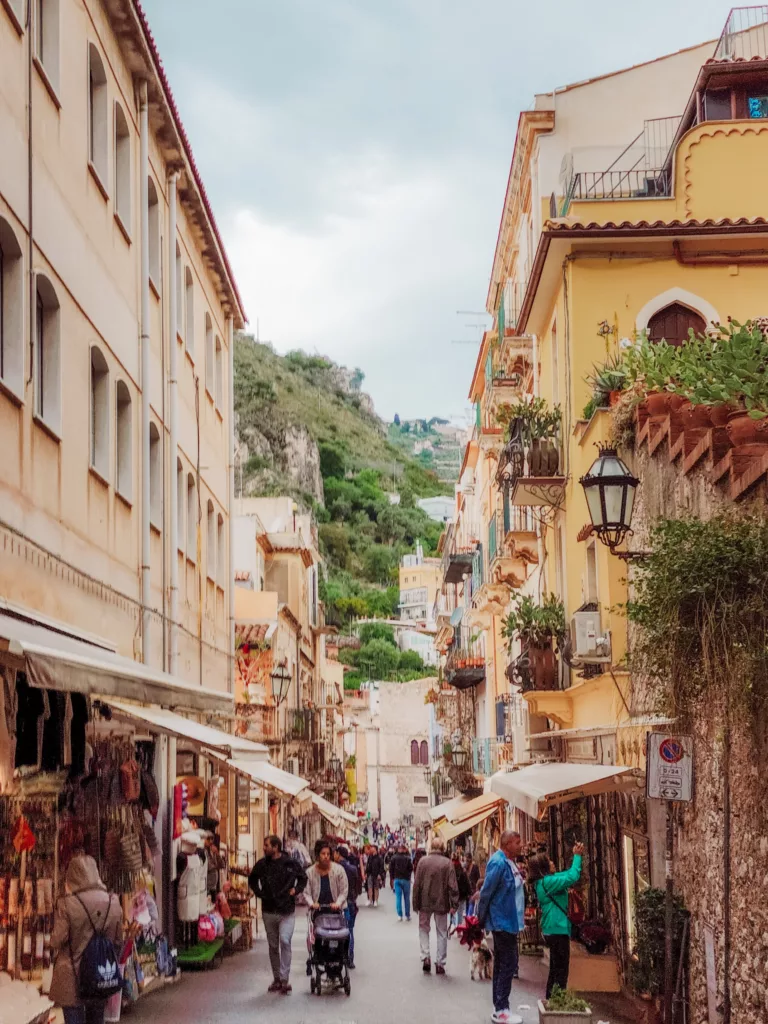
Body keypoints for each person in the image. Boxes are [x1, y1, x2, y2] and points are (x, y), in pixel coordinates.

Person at [49, 855, 123, 1024]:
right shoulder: (113, 901)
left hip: (72, 976)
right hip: (99, 973)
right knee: (97, 1016)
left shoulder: (67, 904)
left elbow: (57, 939)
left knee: (73, 1017)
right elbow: (118, 940)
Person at [477, 831, 526, 1024]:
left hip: (509, 921)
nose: (520, 845)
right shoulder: (498, 863)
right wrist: (481, 919)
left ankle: (501, 1007)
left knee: (503, 964)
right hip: (502, 921)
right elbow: (486, 892)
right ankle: (501, 1008)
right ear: (507, 845)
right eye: (517, 842)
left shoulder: (508, 862)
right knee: (508, 964)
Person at [249, 835, 308, 995]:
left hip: (286, 910)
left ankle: (284, 979)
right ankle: (277, 979)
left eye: (267, 845)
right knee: (273, 946)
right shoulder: (262, 864)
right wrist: (260, 893)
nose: (264, 848)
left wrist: (296, 890)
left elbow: (303, 877)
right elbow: (252, 879)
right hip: (268, 910)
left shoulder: (290, 863)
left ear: (275, 847)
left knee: (285, 940)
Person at [527, 842, 585, 999]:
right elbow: (572, 876)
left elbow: (565, 875)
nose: (552, 862)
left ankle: (551, 999)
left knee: (555, 968)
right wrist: (577, 856)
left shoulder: (544, 881)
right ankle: (558, 1001)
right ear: (543, 867)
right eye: (549, 861)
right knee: (561, 969)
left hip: (552, 928)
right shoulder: (548, 882)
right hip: (557, 928)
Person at [412, 836, 458, 975]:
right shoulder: (447, 863)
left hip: (424, 902)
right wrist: (454, 904)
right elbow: (453, 885)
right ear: (442, 848)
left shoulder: (422, 862)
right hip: (441, 902)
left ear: (431, 847)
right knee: (442, 932)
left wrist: (415, 903)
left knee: (423, 929)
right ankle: (440, 963)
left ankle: (425, 956)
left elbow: (417, 884)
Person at [334, 846, 360, 968]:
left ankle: (337, 956)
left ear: (338, 854)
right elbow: (358, 887)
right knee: (349, 930)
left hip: (337, 903)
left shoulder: (334, 869)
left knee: (335, 930)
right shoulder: (353, 869)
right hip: (350, 902)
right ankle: (350, 959)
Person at [306, 840, 349, 910]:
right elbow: (306, 892)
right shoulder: (309, 872)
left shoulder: (339, 870)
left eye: (328, 854)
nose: (326, 856)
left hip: (338, 912)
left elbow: (344, 891)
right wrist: (312, 903)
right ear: (317, 855)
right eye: (323, 854)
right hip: (317, 913)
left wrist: (338, 903)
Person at [389, 842, 414, 922]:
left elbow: (391, 869)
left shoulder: (393, 858)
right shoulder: (408, 858)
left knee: (398, 898)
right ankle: (407, 915)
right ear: (404, 849)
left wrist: (392, 878)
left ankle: (400, 915)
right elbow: (411, 868)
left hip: (397, 879)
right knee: (407, 898)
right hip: (406, 879)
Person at [450, 853, 472, 933]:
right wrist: (470, 892)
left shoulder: (450, 870)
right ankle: (459, 929)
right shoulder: (462, 870)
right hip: (462, 894)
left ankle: (452, 925)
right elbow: (467, 882)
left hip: (453, 895)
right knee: (460, 912)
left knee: (452, 910)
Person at [204, 834, 224, 900]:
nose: (211, 841)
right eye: (208, 839)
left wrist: (217, 853)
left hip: (214, 886)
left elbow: (222, 865)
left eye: (212, 839)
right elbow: (209, 867)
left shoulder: (213, 851)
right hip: (207, 886)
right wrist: (217, 866)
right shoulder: (204, 852)